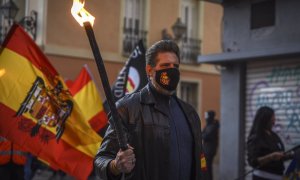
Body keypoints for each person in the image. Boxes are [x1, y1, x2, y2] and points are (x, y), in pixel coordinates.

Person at [94, 40, 207, 180]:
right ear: (149, 70)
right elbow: (100, 161)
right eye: (165, 65)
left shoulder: (190, 113)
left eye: (175, 66)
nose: (171, 71)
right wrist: (116, 165)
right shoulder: (128, 108)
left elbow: (200, 163)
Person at [247, 106, 291, 180]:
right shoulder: (255, 137)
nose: (274, 120)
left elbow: (280, 156)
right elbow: (253, 162)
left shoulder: (274, 135)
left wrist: (291, 154)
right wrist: (270, 157)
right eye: (272, 117)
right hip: (262, 177)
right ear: (265, 119)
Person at [202, 110, 219, 180]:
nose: (205, 118)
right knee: (203, 166)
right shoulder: (208, 125)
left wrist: (201, 134)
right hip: (205, 150)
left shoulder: (212, 126)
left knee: (207, 167)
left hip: (209, 151)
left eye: (207, 116)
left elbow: (205, 136)